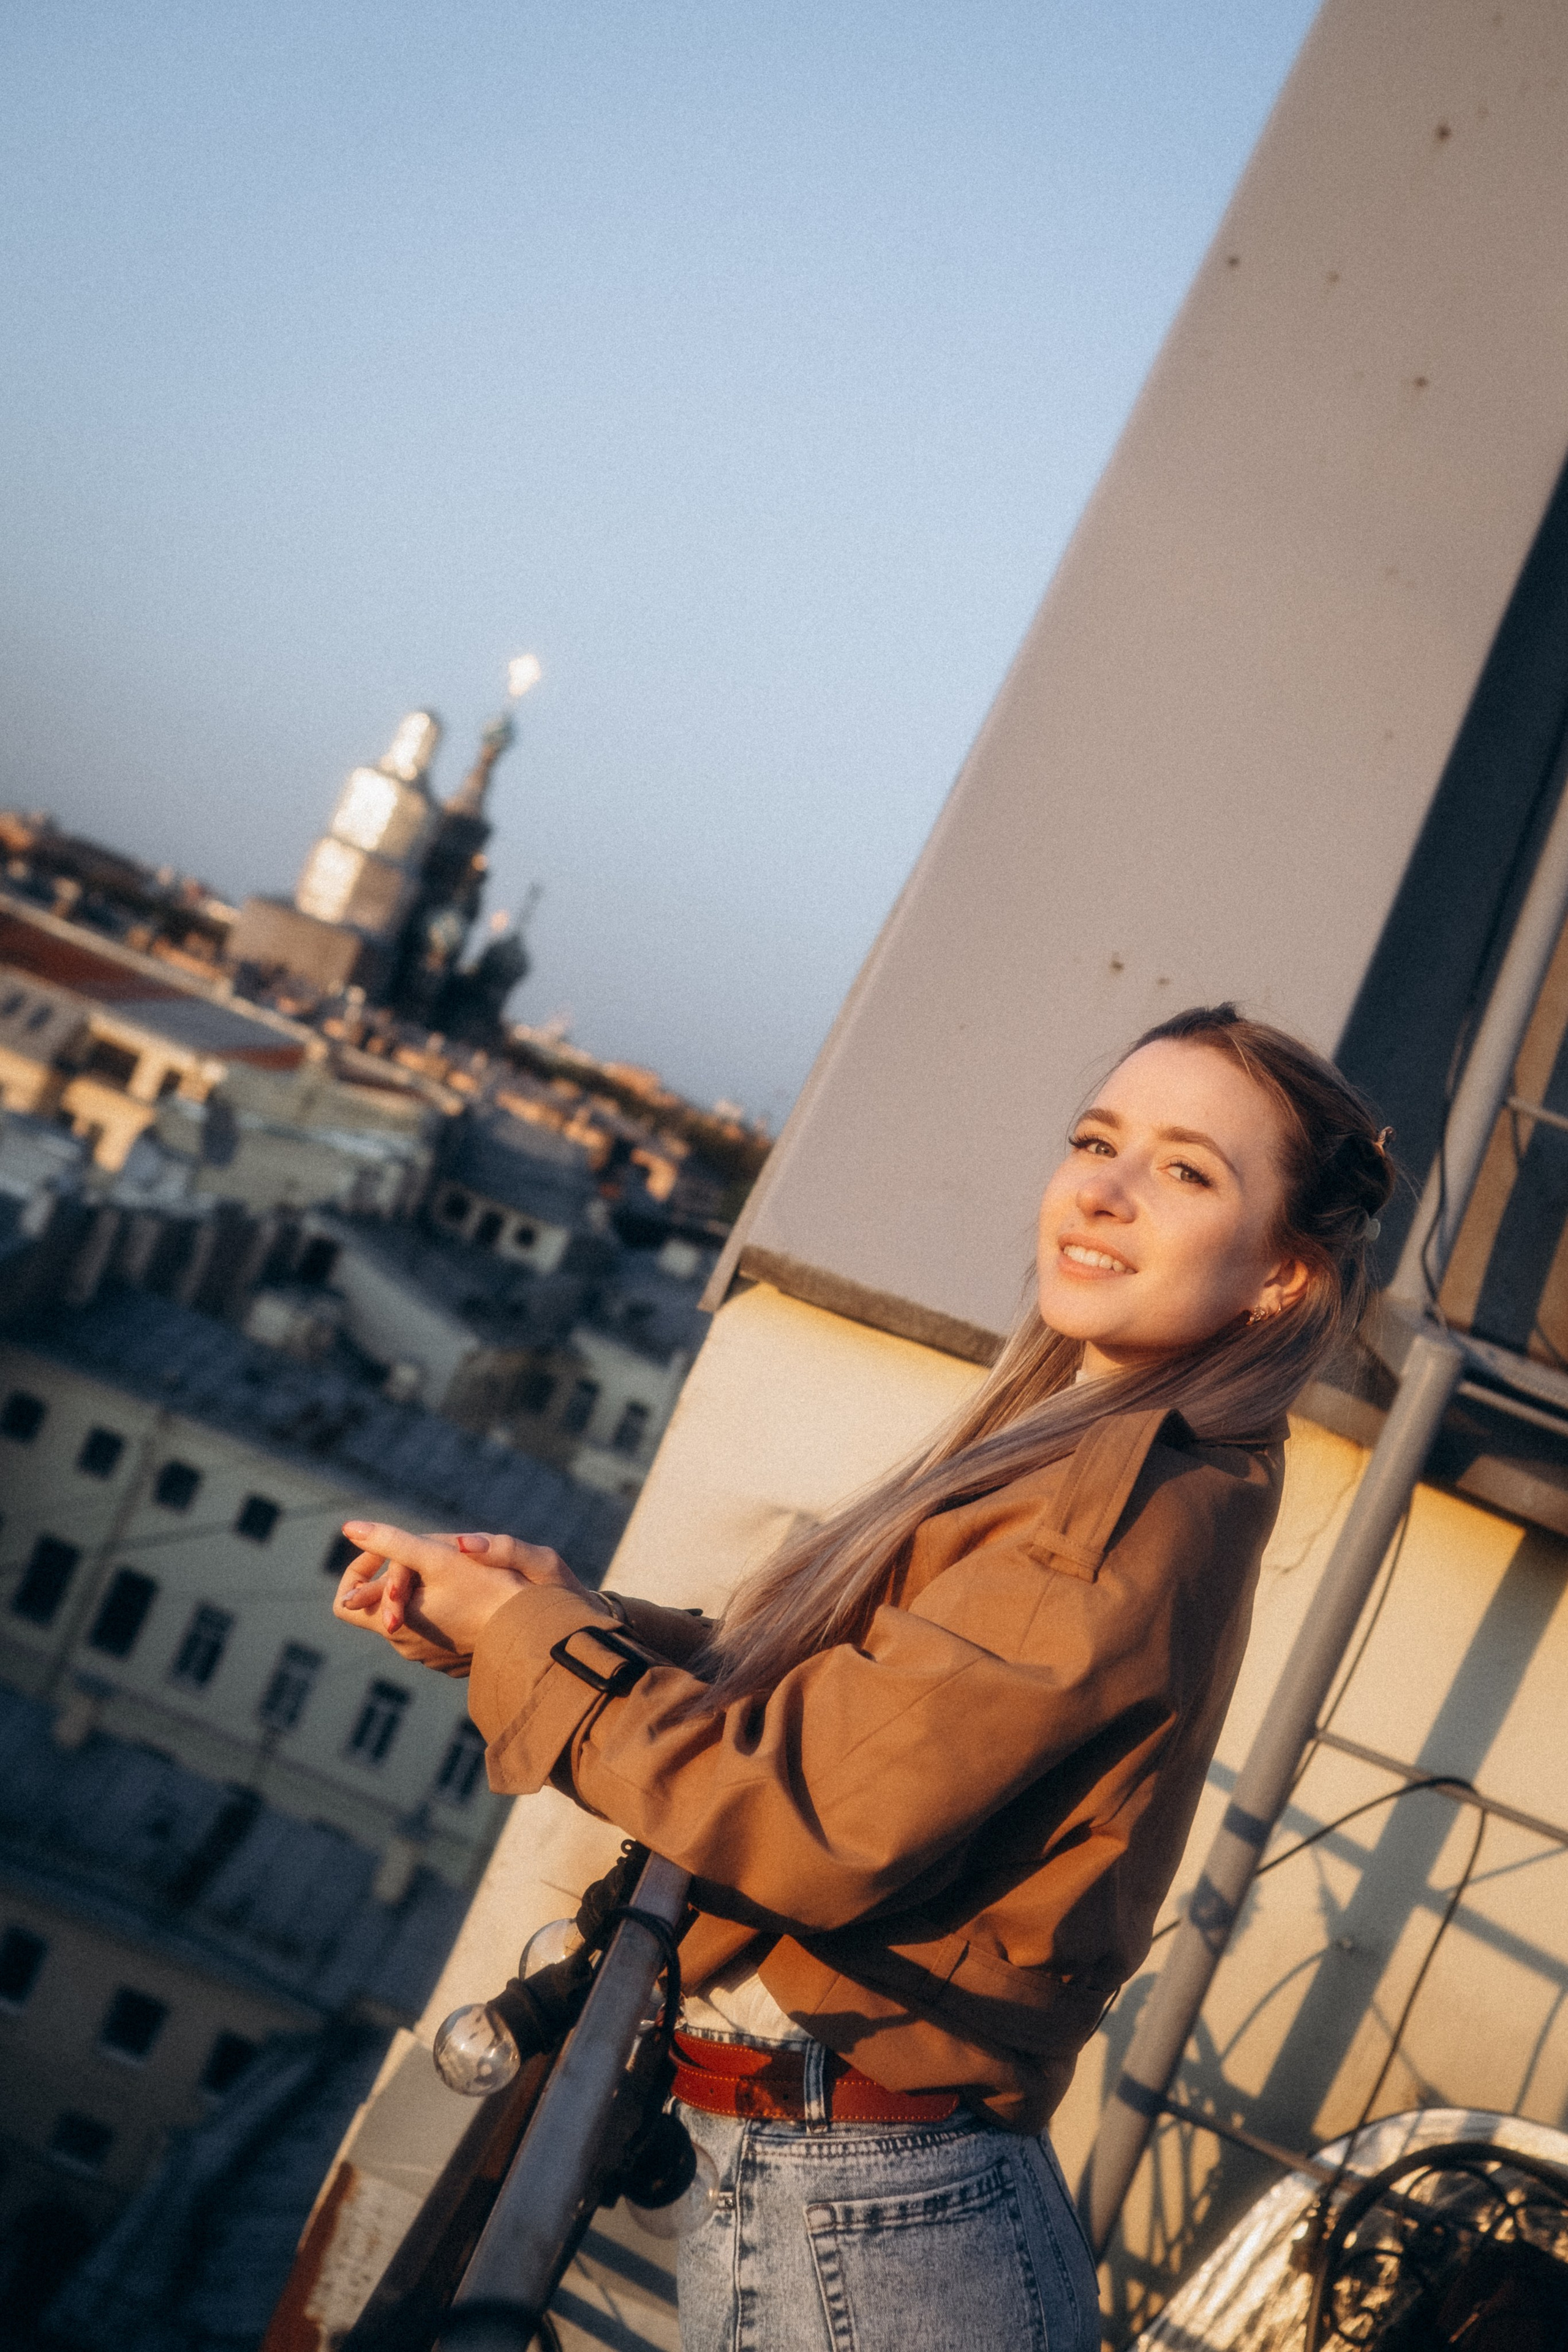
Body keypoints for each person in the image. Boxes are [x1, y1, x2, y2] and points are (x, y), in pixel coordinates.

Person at [332, 1004, 1395, 2352]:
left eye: (1185, 1172)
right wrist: (546, 1617)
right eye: (1094, 1139)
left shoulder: (1114, 1503)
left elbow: (801, 1815)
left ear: (1278, 1279)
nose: (1102, 1191)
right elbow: (865, 1713)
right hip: (858, 2201)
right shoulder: (1100, 1450)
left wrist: (532, 1640)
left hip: (877, 2229)